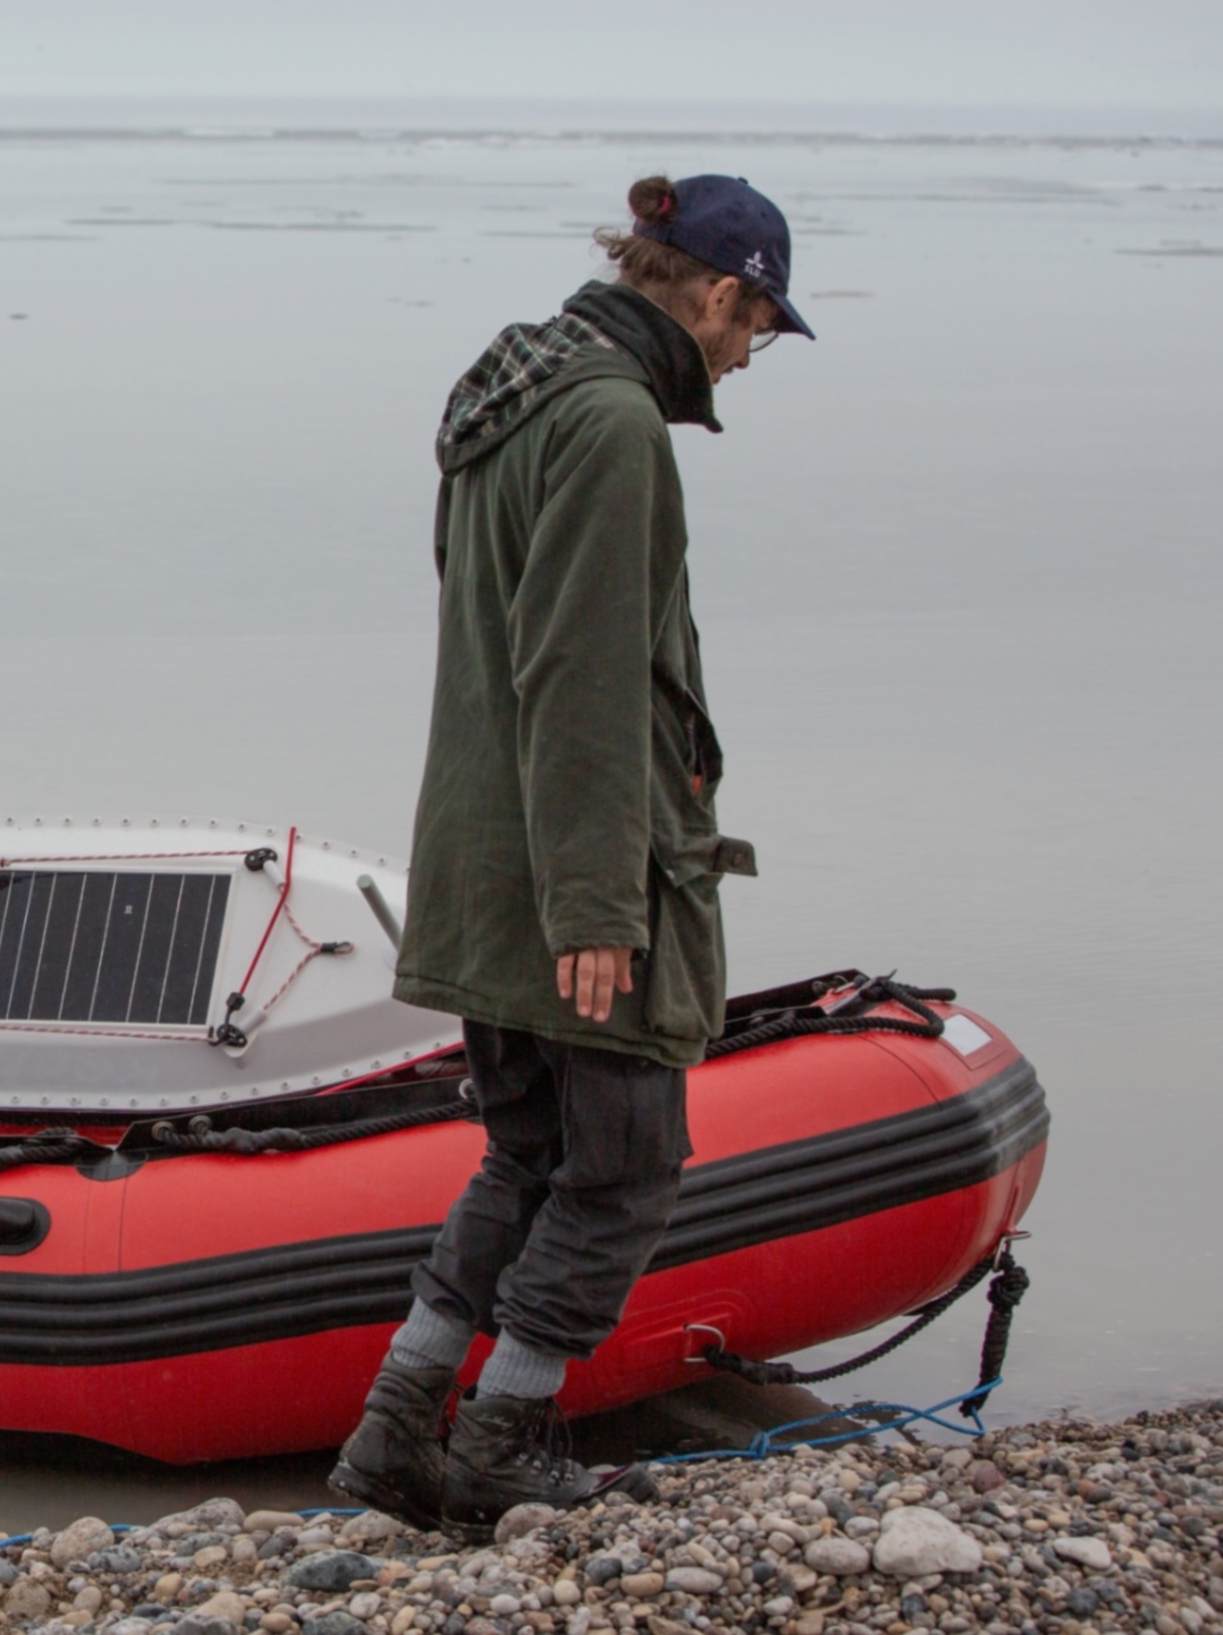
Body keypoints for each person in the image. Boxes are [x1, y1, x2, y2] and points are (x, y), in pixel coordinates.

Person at [330, 173, 811, 1529]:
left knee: (528, 1155)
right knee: (623, 1162)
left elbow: (504, 649)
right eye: (755, 324)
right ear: (716, 289)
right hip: (577, 875)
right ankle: (502, 1439)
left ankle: (394, 1436)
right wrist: (598, 901)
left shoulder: (513, 396)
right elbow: (585, 674)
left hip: (485, 856)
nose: (745, 354)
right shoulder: (610, 427)